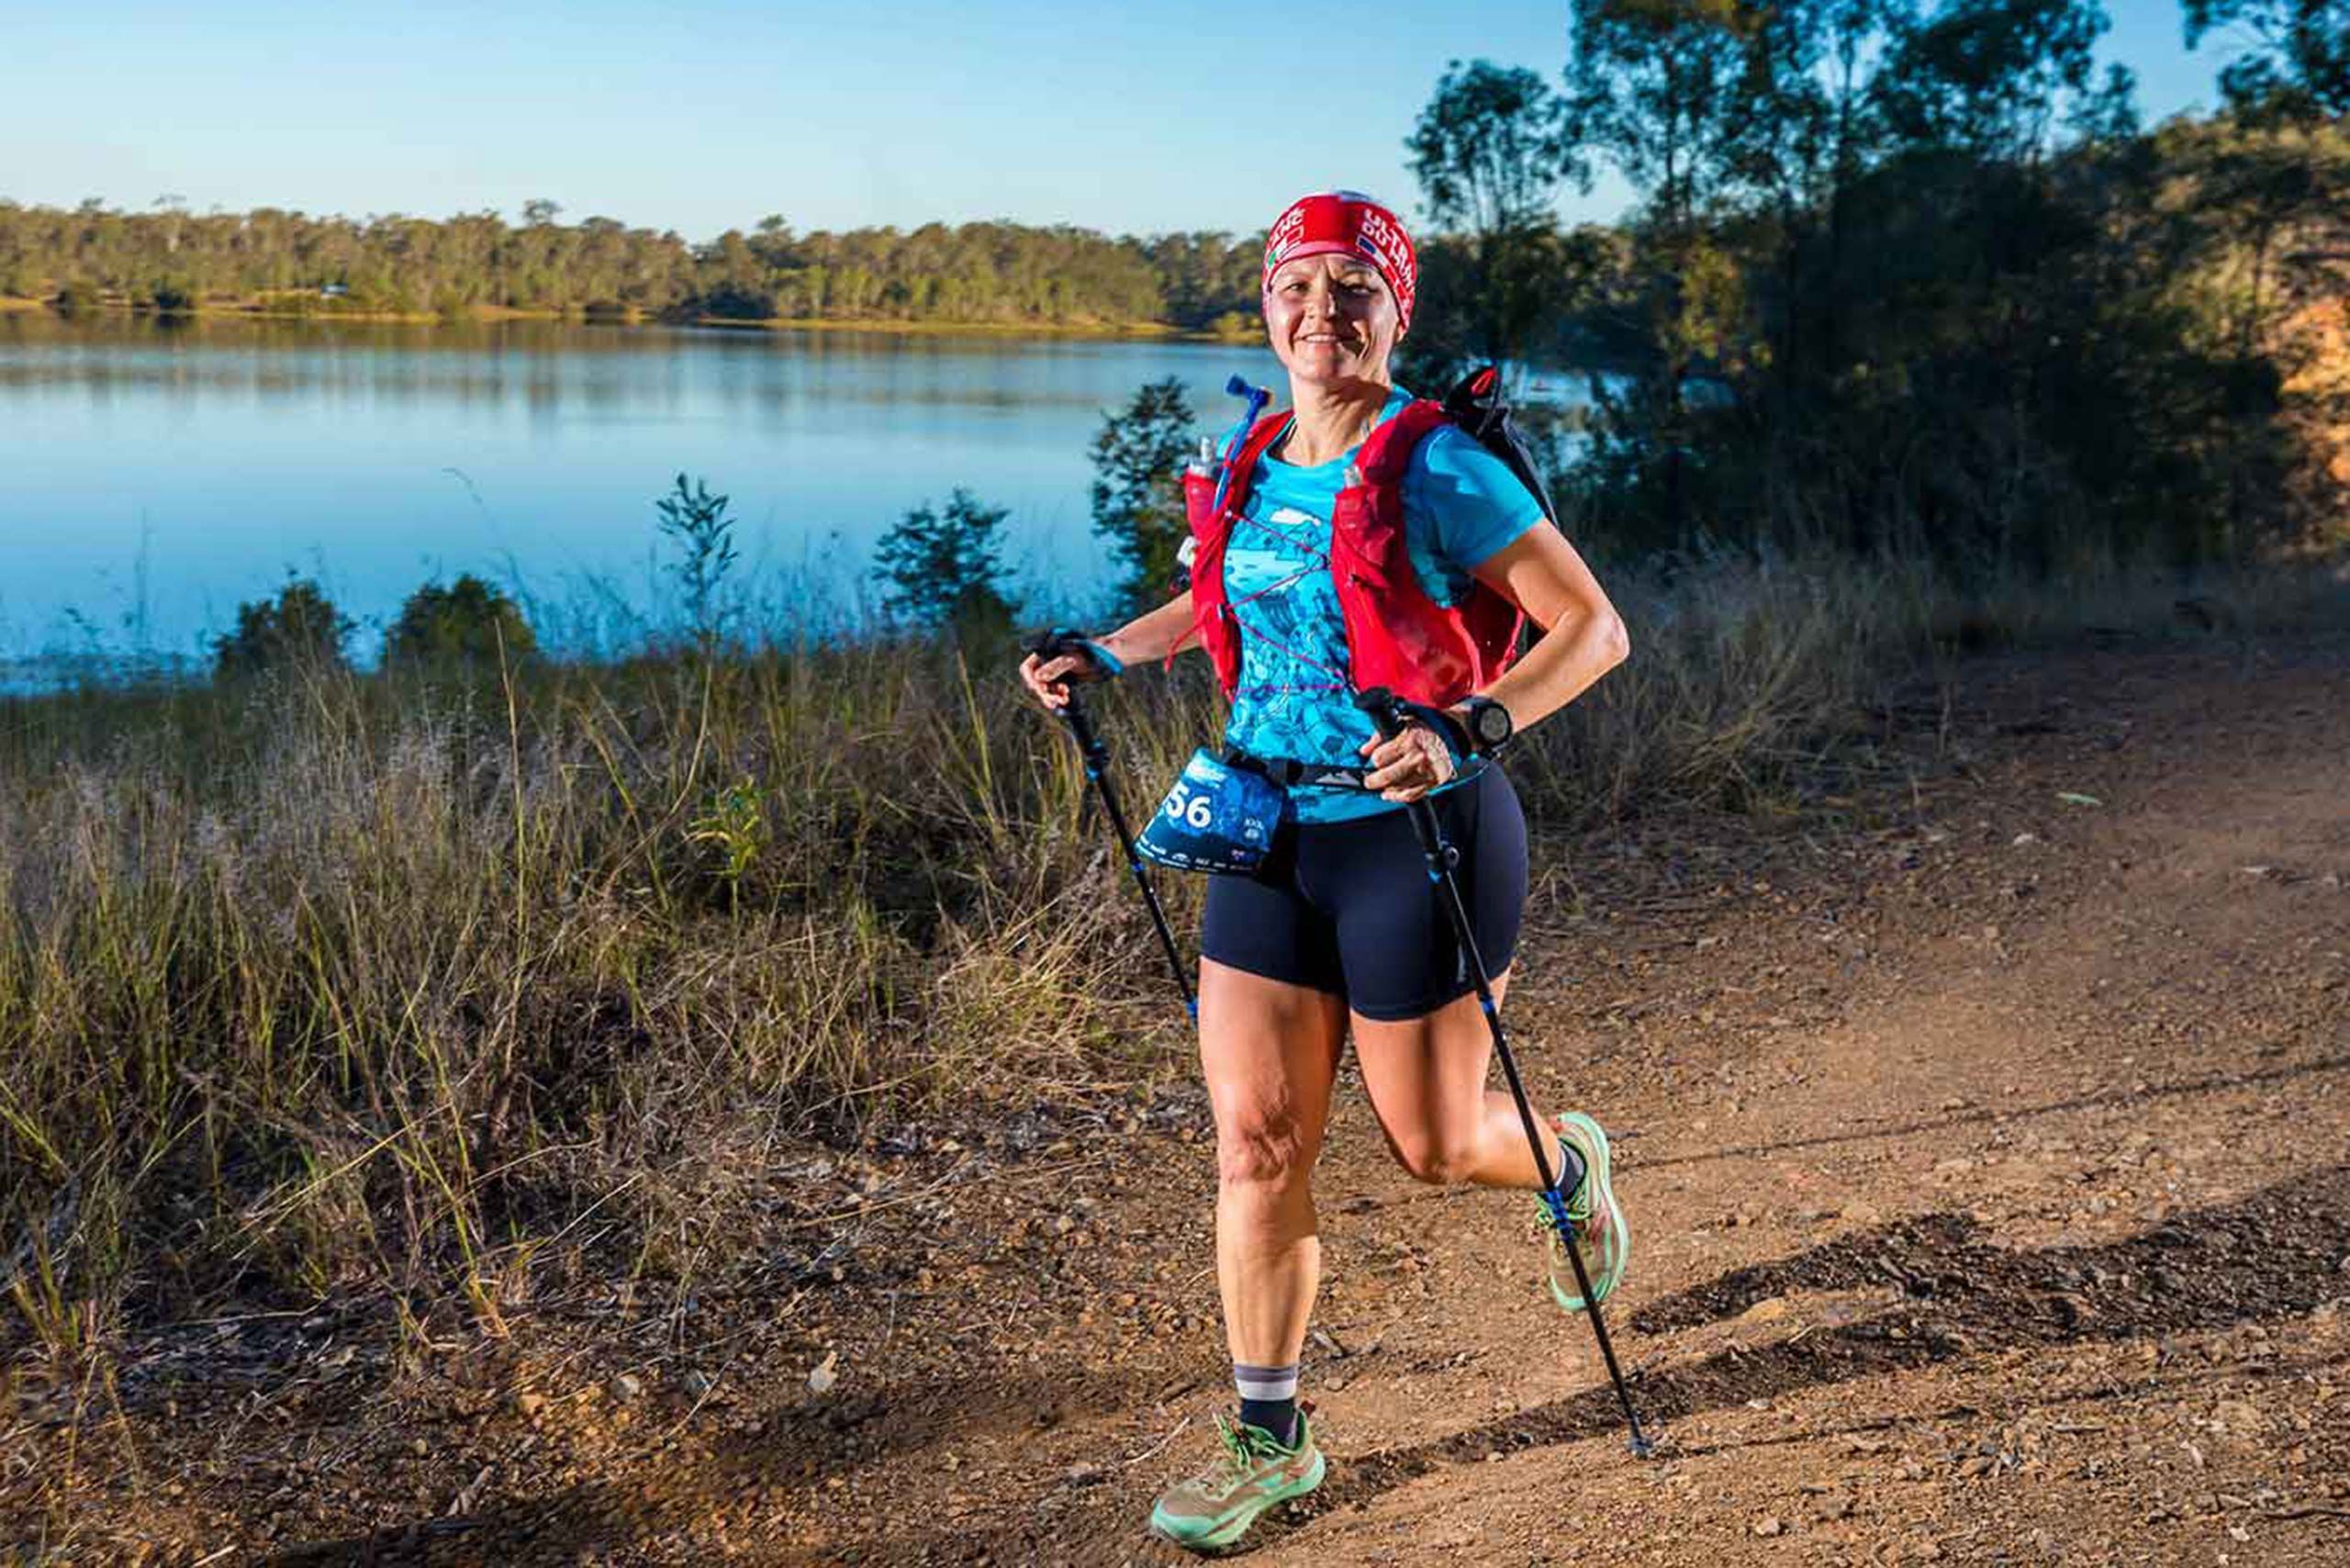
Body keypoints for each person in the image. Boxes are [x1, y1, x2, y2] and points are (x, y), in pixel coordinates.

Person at [1018, 189, 1632, 1554]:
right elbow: (1229, 600)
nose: (1321, 311)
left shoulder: (1442, 467)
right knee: (1257, 1145)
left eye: (1354, 287)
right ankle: (1271, 1438)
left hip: (1423, 836)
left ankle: (1562, 1163)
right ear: (1265, 306)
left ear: (1395, 310)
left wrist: (1469, 726)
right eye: (1298, 285)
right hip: (1264, 830)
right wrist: (1110, 654)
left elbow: (1592, 631)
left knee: (1429, 1148)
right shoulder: (1246, 451)